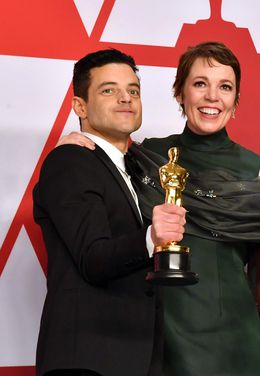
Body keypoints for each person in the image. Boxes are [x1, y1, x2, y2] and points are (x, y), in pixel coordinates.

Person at [57, 41, 260, 375]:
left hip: (231, 336)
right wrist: (74, 141)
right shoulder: (146, 157)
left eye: (225, 87)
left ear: (235, 101)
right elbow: (101, 166)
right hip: (158, 335)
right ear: (180, 93)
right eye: (199, 84)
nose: (212, 97)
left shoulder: (256, 170)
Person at [33, 49, 186, 376]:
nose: (125, 98)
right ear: (80, 106)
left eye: (133, 90)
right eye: (109, 90)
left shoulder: (136, 168)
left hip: (133, 357)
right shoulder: (70, 161)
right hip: (89, 361)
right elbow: (93, 258)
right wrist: (151, 237)